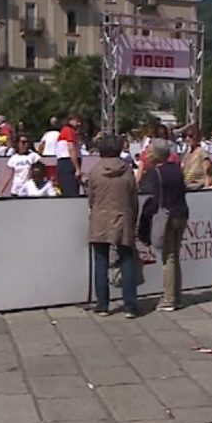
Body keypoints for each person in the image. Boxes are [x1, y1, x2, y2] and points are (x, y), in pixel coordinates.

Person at [88, 135, 140, 318]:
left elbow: (91, 199)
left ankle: (102, 305)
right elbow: (134, 199)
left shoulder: (95, 171)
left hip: (100, 219)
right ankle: (130, 306)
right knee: (127, 260)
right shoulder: (128, 171)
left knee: (101, 262)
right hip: (123, 217)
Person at [139, 139, 189, 311]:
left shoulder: (156, 173)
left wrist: (147, 212)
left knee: (168, 258)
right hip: (181, 213)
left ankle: (169, 299)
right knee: (174, 256)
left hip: (166, 215)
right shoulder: (177, 169)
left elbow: (156, 201)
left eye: (149, 151)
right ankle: (176, 296)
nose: (147, 154)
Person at [56, 114, 83, 197]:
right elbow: (71, 149)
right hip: (68, 163)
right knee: (71, 191)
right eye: (77, 121)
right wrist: (77, 168)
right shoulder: (68, 130)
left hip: (67, 163)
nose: (79, 124)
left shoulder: (70, 131)